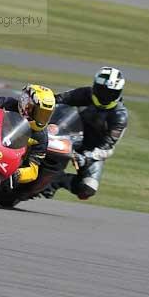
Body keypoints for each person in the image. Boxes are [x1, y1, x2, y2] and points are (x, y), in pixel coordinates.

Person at [43, 66, 128, 201]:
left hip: (92, 149)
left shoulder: (119, 116)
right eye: (102, 90)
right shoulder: (84, 94)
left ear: (118, 93)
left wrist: (89, 156)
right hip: (68, 134)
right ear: (95, 86)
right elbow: (58, 100)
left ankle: (57, 180)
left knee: (87, 189)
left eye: (110, 93)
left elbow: (107, 147)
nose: (104, 96)